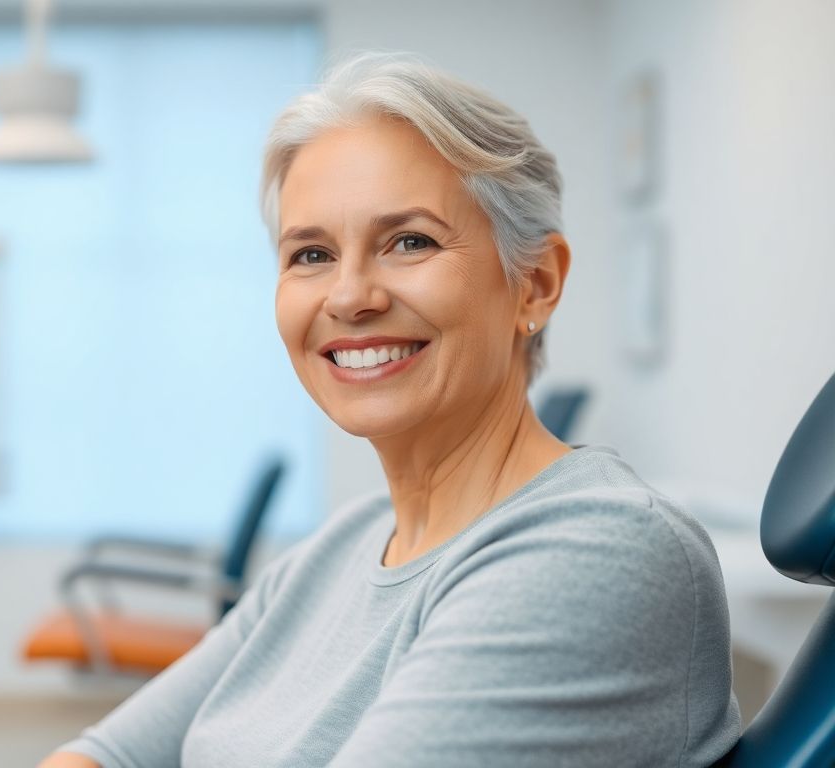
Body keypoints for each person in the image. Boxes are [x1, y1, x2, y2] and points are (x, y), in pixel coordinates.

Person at [39, 52, 741, 767]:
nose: (349, 297)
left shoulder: (598, 552)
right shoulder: (342, 548)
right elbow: (108, 754)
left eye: (409, 242)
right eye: (309, 254)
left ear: (533, 284)